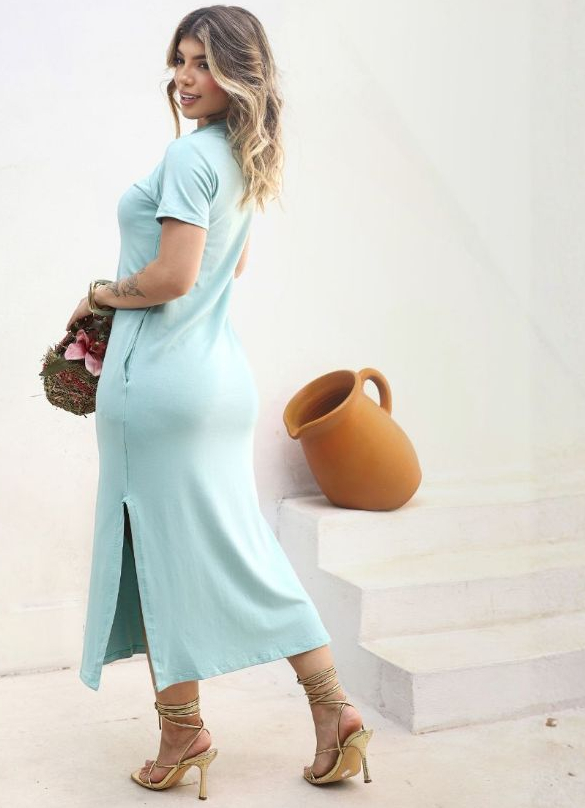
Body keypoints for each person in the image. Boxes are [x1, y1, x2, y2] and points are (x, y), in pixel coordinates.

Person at [66, 6, 373, 797]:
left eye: (202, 62)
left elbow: (173, 277)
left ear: (238, 72)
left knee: (155, 551)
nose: (184, 76)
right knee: (244, 548)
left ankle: (182, 734)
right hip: (218, 380)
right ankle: (334, 710)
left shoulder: (186, 156)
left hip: (159, 387)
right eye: (180, 60)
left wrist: (98, 295)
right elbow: (226, 271)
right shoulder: (241, 159)